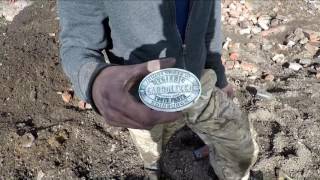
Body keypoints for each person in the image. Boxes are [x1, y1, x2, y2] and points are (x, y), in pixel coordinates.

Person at [58, 0, 258, 179]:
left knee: (240, 147)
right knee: (153, 153)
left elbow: (209, 26)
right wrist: (94, 81)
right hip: (144, 98)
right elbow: (78, 45)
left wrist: (219, 77)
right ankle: (154, 169)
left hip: (197, 82)